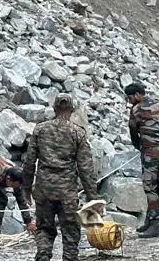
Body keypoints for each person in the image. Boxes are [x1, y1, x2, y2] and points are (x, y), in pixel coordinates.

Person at [23, 93, 98, 261]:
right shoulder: (78, 133)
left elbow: (29, 163)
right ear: (71, 110)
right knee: (70, 232)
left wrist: (26, 189)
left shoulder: (40, 130)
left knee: (44, 228)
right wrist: (93, 198)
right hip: (67, 193)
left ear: (54, 109)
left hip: (43, 190)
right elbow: (86, 168)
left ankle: (43, 254)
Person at [125, 81, 159, 238]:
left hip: (149, 153)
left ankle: (155, 225)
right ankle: (150, 221)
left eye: (130, 97)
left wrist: (141, 146)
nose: (129, 101)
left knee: (150, 187)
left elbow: (133, 132)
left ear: (138, 95)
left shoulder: (136, 110)